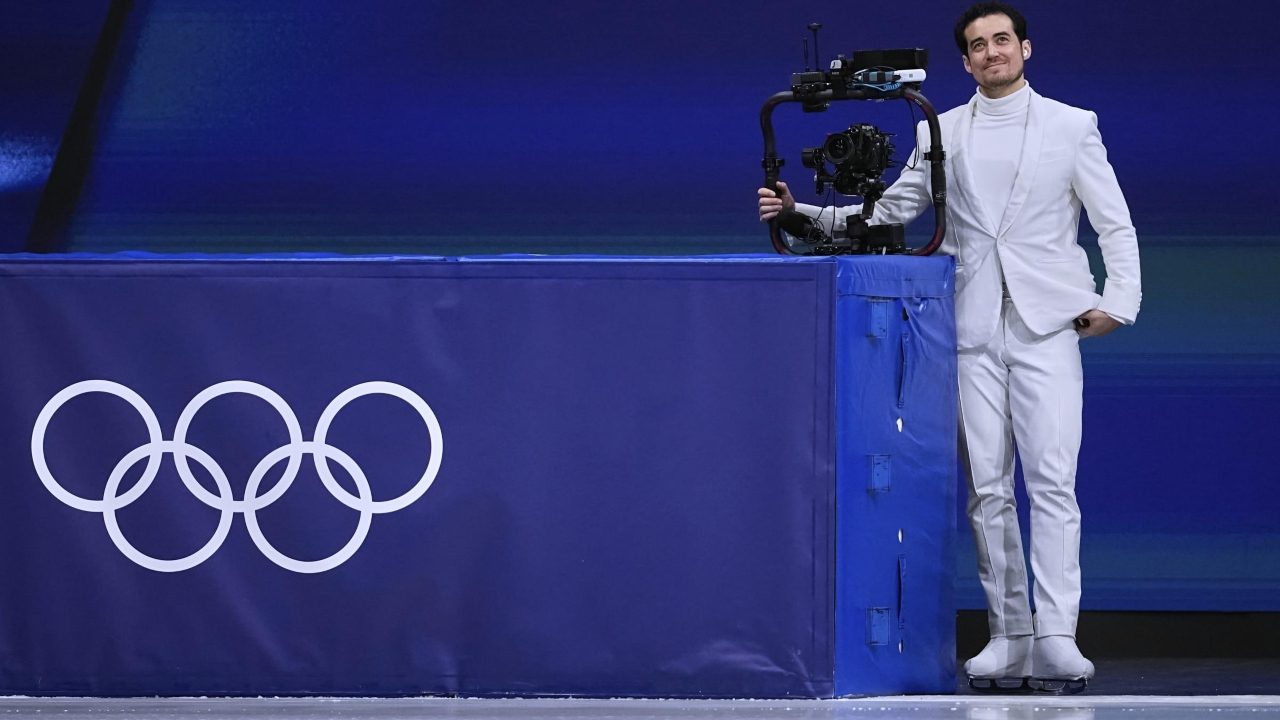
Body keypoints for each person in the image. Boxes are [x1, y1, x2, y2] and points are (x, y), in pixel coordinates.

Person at [757, 1, 1141, 693]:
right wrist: (801, 212)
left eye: (1002, 40)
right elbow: (894, 208)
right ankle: (1010, 635)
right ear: (965, 62)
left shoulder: (1071, 125)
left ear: (1025, 48)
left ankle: (1057, 636)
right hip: (969, 328)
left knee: (1052, 483)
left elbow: (1114, 223)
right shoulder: (942, 130)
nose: (992, 52)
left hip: (1047, 326)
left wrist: (1118, 302)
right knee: (987, 489)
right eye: (978, 45)